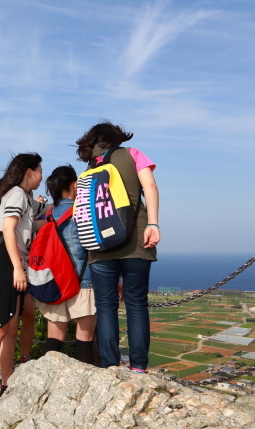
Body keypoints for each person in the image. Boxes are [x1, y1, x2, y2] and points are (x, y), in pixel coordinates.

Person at [74, 122, 159, 373]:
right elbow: (150, 187)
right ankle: (139, 367)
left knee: (106, 305)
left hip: (99, 245)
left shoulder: (89, 168)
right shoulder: (132, 154)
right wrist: (153, 223)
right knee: (136, 303)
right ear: (116, 137)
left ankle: (111, 365)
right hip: (136, 239)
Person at [0, 153, 48, 407]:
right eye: (40, 171)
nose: (42, 176)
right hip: (4, 264)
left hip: (12, 264)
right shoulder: (16, 194)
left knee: (9, 329)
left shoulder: (26, 198)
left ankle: (7, 381)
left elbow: (39, 218)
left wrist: (69, 205)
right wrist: (18, 267)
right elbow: (8, 229)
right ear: (29, 171)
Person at [37, 165, 96, 364]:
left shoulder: (49, 214)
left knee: (54, 338)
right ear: (74, 184)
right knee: (85, 340)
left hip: (55, 281)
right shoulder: (84, 211)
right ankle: (87, 385)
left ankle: (42, 378)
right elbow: (93, 248)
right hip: (84, 282)